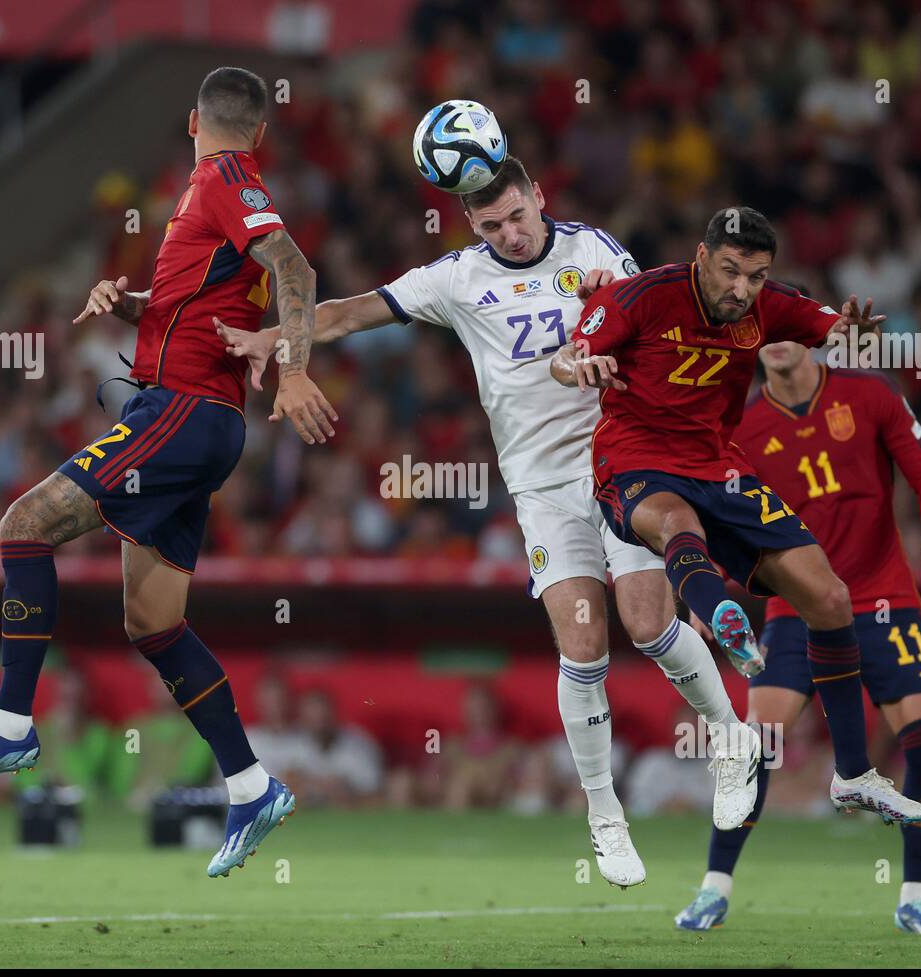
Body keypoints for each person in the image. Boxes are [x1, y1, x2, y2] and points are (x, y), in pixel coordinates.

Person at [218, 156, 756, 890]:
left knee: (649, 622)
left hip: (623, 459)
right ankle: (604, 814)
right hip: (540, 487)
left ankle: (730, 735)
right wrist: (275, 338)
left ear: (540, 196)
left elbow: (657, 324)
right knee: (583, 641)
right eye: (491, 223)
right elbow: (345, 312)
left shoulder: (596, 252)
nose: (508, 232)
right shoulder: (456, 278)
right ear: (472, 223)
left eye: (517, 216)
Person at [0, 67, 335, 880]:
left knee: (23, 525)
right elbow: (205, 302)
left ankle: (10, 722)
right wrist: (134, 305)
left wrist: (291, 367)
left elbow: (297, 272)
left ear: (194, 122)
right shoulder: (219, 194)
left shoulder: (223, 179)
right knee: (153, 625)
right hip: (199, 417)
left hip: (179, 410)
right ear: (258, 130)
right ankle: (251, 787)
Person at [551, 205, 921, 829]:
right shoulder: (639, 296)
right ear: (701, 258)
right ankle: (720, 616)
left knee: (831, 600)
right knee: (678, 526)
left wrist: (850, 329)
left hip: (723, 469)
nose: (741, 290)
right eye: (730, 272)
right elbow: (566, 358)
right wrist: (579, 366)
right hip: (637, 460)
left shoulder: (766, 305)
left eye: (754, 276)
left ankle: (854, 776)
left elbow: (829, 325)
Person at [674, 338, 921, 935]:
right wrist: (710, 593)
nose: (778, 344)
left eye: (790, 331)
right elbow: (728, 522)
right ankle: (713, 888)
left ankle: (915, 896)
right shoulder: (742, 425)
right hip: (797, 602)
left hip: (885, 599)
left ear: (810, 338)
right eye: (766, 334)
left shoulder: (868, 393)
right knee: (759, 744)